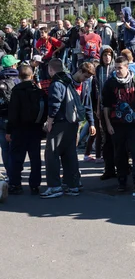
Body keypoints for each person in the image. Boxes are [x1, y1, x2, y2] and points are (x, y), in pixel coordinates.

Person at [41, 59, 92, 199]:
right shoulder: (69, 81)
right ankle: (73, 185)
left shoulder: (57, 82)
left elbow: (55, 103)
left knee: (51, 154)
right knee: (70, 155)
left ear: (51, 69)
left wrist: (49, 121)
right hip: (72, 122)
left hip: (60, 122)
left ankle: (54, 186)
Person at [102, 56, 135, 193]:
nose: (117, 71)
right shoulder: (110, 83)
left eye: (120, 68)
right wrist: (108, 124)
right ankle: (122, 181)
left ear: (127, 67)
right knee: (120, 154)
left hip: (134, 124)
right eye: (115, 68)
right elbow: (106, 106)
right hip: (117, 124)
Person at [6, 64, 46, 195]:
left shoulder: (17, 91)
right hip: (35, 128)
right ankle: (35, 185)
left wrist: (9, 130)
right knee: (35, 158)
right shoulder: (38, 91)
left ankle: (15, 184)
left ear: (19, 76)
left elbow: (13, 113)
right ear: (32, 75)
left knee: (17, 157)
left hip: (19, 129)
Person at [95, 46, 116, 180]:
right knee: (106, 139)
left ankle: (121, 167)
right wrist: (98, 108)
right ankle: (109, 169)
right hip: (103, 107)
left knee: (117, 139)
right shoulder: (99, 70)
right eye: (104, 55)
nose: (107, 57)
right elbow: (98, 91)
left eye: (109, 55)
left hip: (115, 108)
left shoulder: (115, 69)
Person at [0, 55, 21, 180]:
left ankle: (9, 174)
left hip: (1, 117)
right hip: (14, 119)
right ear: (13, 66)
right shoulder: (17, 81)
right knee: (15, 148)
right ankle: (15, 173)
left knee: (4, 148)